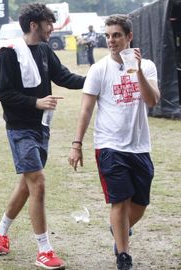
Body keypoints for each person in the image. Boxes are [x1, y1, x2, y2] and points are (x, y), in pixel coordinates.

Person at [0, 3, 85, 269]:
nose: (51, 28)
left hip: (42, 127)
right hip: (20, 128)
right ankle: (44, 249)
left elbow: (63, 76)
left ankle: (0, 230)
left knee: (27, 183)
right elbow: (3, 93)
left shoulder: (44, 50)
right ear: (34, 25)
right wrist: (36, 102)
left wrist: (95, 80)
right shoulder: (8, 53)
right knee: (38, 182)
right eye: (48, 23)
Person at [68, 14, 160, 270]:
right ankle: (123, 255)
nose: (111, 40)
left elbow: (152, 101)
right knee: (119, 201)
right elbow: (86, 110)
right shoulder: (98, 69)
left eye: (117, 35)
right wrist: (77, 144)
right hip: (109, 146)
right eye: (108, 36)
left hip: (140, 146)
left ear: (129, 37)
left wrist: (138, 70)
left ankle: (119, 230)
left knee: (140, 204)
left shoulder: (148, 66)